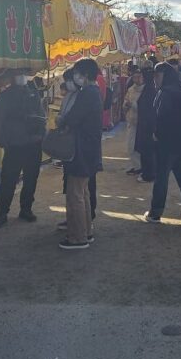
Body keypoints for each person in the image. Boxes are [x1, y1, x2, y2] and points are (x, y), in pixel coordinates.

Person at [145, 62, 181, 226]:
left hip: (166, 145)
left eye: (157, 75)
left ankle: (155, 213)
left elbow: (160, 118)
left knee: (161, 178)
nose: (155, 79)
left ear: (165, 75)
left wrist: (156, 134)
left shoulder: (165, 93)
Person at [57, 59, 103, 249]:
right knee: (83, 192)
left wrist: (62, 120)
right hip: (89, 148)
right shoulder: (94, 92)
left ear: (84, 74)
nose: (75, 77)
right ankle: (86, 231)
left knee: (75, 194)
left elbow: (73, 118)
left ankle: (77, 237)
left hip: (81, 149)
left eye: (77, 73)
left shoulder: (87, 94)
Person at [0, 72, 46, 228]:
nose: (22, 77)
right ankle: (2, 213)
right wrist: (3, 141)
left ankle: (26, 209)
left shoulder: (33, 94)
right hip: (14, 145)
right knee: (8, 180)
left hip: (33, 143)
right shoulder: (3, 97)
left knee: (31, 179)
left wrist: (41, 134)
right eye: (19, 74)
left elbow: (41, 115)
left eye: (24, 73)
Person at [134, 67, 159, 183]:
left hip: (147, 126)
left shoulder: (149, 90)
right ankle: (147, 172)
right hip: (145, 125)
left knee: (147, 152)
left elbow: (148, 110)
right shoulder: (150, 88)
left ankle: (148, 174)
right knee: (147, 152)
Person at [123, 70, 145, 175]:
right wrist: (126, 105)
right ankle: (136, 165)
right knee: (130, 146)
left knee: (139, 147)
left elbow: (145, 107)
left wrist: (134, 105)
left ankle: (140, 167)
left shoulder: (146, 90)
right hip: (131, 121)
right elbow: (126, 101)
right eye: (135, 77)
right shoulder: (130, 90)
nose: (137, 80)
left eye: (139, 77)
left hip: (141, 123)